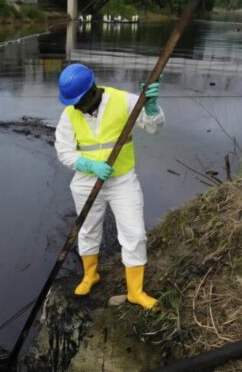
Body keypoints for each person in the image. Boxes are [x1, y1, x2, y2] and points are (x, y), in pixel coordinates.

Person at [54, 63, 164, 310]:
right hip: (86, 181)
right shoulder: (70, 114)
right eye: (73, 102)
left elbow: (153, 127)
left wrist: (151, 107)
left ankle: (135, 291)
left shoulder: (122, 100)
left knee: (134, 234)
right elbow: (63, 151)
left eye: (80, 101)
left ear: (92, 90)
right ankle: (90, 274)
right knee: (88, 229)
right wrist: (87, 165)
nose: (77, 107)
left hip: (122, 180)